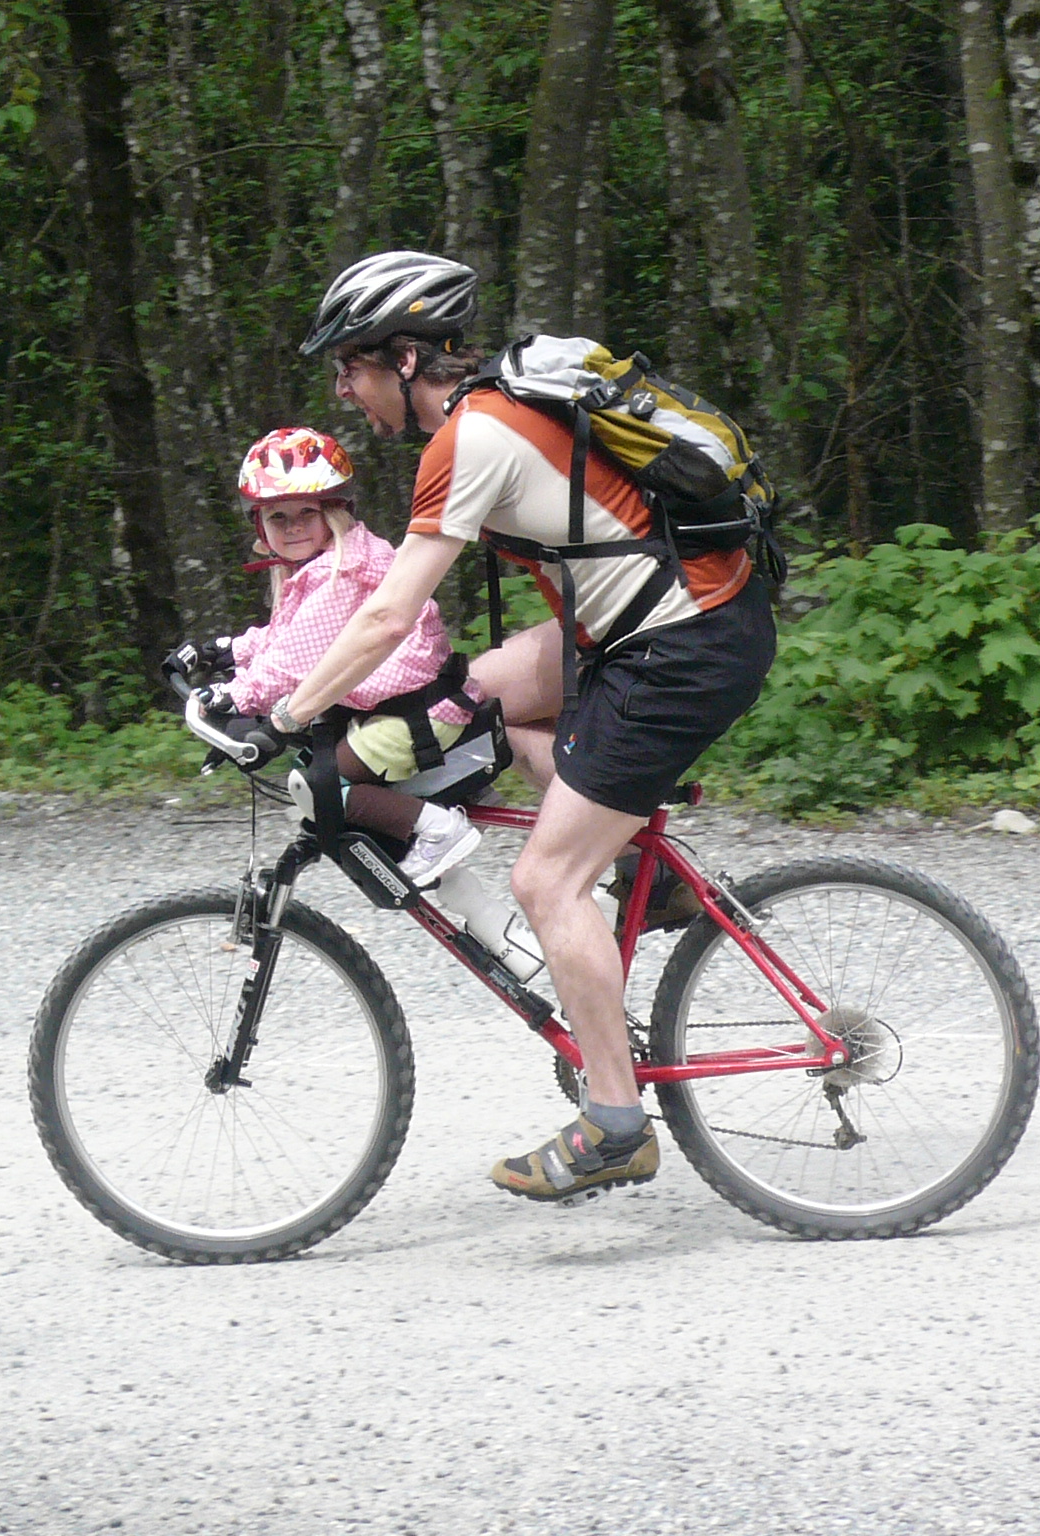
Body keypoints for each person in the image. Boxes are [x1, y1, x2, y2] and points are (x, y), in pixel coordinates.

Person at [269, 250, 777, 1204]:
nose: (346, 387)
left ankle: (615, 1124)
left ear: (407, 359)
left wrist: (291, 711)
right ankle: (650, 877)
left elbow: (385, 614)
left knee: (545, 878)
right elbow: (409, 641)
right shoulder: (495, 410)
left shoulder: (471, 438)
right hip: (658, 622)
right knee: (472, 692)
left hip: (677, 645)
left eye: (353, 365)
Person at [213, 425, 482, 886]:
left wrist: (235, 700)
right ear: (261, 526)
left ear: (333, 513)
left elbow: (293, 665)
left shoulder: (342, 575)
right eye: (278, 517)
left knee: (316, 787)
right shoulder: (325, 565)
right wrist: (227, 652)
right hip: (410, 705)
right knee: (314, 773)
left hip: (416, 714)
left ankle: (438, 830)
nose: (293, 526)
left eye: (305, 513)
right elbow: (286, 638)